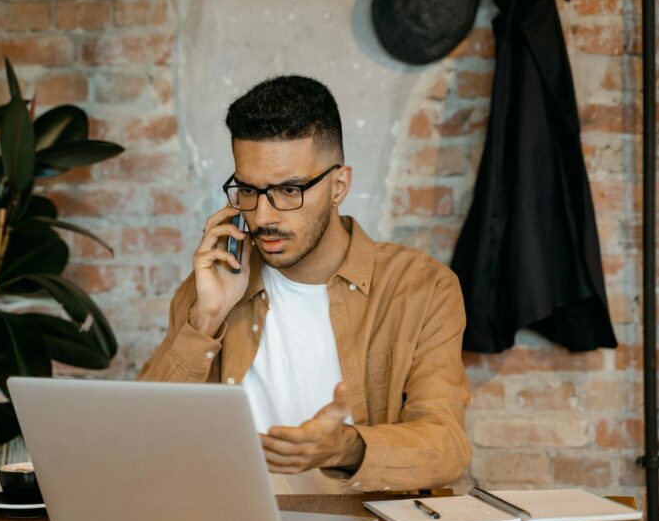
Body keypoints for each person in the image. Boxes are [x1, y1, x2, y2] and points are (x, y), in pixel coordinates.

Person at [138, 75, 470, 494]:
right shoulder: (215, 282)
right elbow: (147, 436)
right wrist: (206, 318)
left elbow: (447, 446)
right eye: (248, 190)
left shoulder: (422, 288)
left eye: (288, 190)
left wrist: (345, 448)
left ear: (339, 186)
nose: (262, 217)